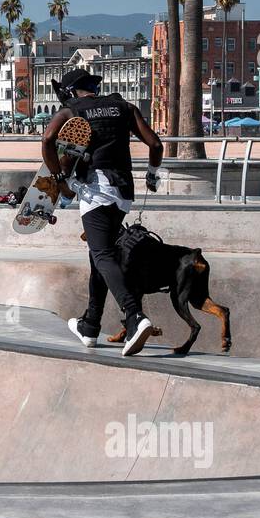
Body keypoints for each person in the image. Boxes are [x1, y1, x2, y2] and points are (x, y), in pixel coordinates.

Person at [42, 68, 165, 357]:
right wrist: (152, 174)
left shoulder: (72, 109)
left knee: (102, 256)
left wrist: (58, 178)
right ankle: (90, 325)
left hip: (97, 191)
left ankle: (135, 317)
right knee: (98, 257)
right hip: (124, 193)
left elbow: (48, 140)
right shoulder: (124, 106)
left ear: (71, 91)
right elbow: (155, 144)